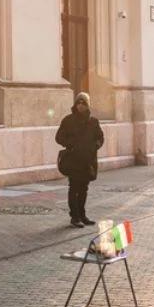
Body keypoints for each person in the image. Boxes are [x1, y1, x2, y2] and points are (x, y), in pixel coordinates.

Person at [56, 92, 105, 227]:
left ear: (88, 105)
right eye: (78, 102)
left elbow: (100, 137)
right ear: (75, 104)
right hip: (73, 160)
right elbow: (59, 137)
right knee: (73, 188)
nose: (80, 105)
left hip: (87, 161)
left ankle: (82, 215)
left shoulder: (93, 122)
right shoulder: (68, 120)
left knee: (84, 188)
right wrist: (71, 144)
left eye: (84, 103)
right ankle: (74, 217)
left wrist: (95, 146)